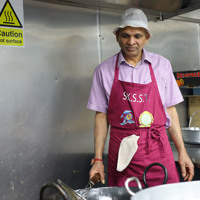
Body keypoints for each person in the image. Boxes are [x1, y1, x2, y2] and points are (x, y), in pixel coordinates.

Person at [87, 8, 194, 187]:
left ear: (147, 37)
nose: (131, 42)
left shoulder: (162, 65)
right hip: (122, 153)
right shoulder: (103, 70)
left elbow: (170, 110)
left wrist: (182, 152)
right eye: (125, 35)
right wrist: (98, 159)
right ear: (117, 37)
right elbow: (101, 116)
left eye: (137, 36)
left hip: (157, 149)